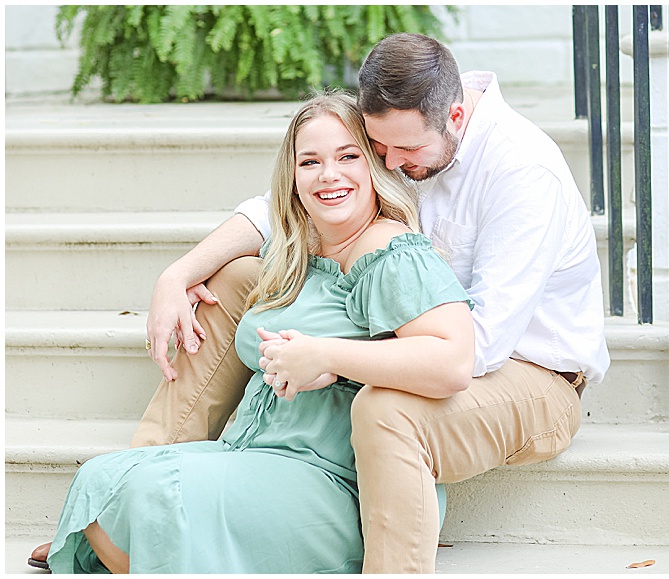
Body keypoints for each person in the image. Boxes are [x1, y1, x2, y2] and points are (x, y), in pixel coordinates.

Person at [30, 33, 610, 573]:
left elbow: (473, 351)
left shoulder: (522, 175)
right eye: (374, 147)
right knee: (235, 278)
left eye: (396, 151)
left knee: (385, 409)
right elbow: (282, 206)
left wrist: (332, 351)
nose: (386, 163)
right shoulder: (405, 137)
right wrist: (176, 276)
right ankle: (155, 475)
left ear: (456, 118)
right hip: (411, 327)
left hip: (528, 374)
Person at [38, 92, 475, 573]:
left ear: (376, 165)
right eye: (310, 161)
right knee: (101, 481)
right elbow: (253, 227)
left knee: (152, 495)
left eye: (349, 156)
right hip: (253, 457)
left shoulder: (391, 252)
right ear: (292, 177)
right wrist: (177, 276)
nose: (329, 175)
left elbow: (452, 360)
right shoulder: (300, 253)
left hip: (330, 480)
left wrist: (327, 356)